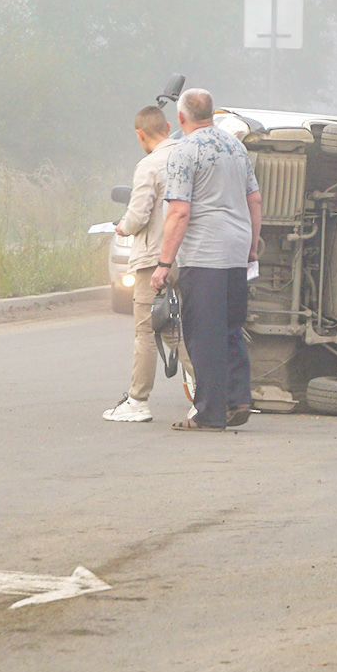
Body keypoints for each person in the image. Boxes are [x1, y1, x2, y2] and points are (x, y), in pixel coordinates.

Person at [151, 88, 262, 432]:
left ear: (181, 118)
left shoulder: (184, 151)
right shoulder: (235, 147)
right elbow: (254, 199)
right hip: (235, 253)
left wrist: (164, 264)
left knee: (202, 335)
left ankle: (210, 413)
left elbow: (180, 212)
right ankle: (238, 398)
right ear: (212, 114)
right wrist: (252, 246)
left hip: (204, 255)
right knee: (230, 329)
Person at [102, 105, 195, 422]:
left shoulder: (149, 165)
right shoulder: (187, 158)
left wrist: (122, 226)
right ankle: (209, 390)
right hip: (184, 256)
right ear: (168, 126)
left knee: (145, 331)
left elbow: (139, 214)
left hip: (152, 259)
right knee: (173, 327)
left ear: (140, 135)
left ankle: (138, 400)